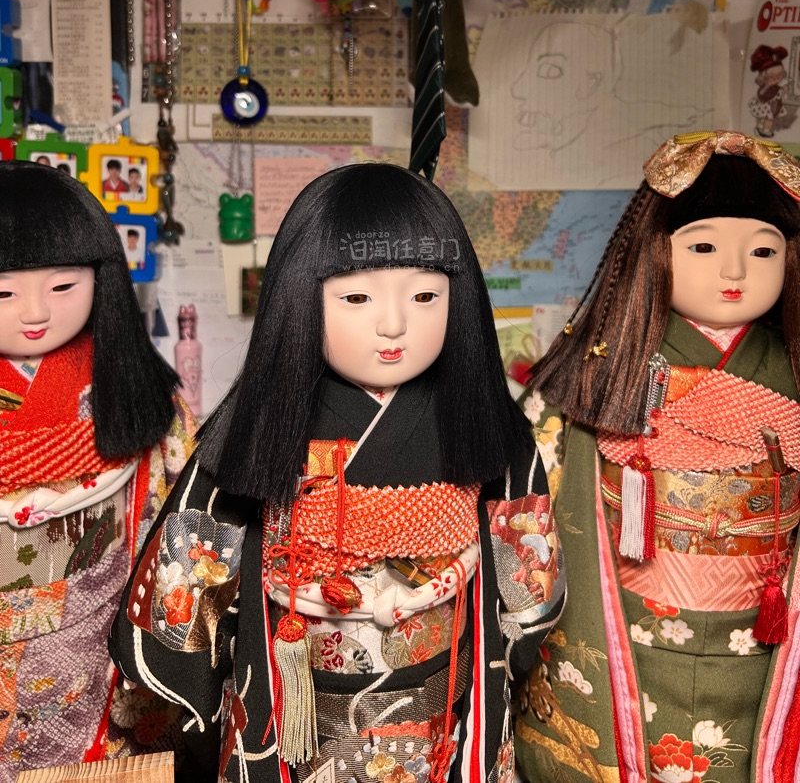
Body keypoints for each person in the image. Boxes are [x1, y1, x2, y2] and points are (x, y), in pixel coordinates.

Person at [110, 162, 564, 783]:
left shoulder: (479, 419)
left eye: (425, 296)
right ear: (301, 298)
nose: (394, 324)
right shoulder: (265, 422)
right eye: (356, 297)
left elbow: (526, 578)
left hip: (442, 711)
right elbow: (192, 570)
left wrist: (511, 627)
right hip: (298, 705)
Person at [514, 131, 800, 783]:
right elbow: (523, 501)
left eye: (763, 250)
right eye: (703, 247)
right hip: (629, 634)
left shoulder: (791, 371)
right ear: (654, 251)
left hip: (761, 644)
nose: (735, 272)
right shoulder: (601, 372)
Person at [0, 161, 196, 777]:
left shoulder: (131, 389)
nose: (35, 311)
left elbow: (181, 516)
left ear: (101, 277)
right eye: (4, 292)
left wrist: (167, 647)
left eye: (63, 286)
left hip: (98, 646)